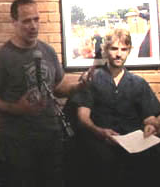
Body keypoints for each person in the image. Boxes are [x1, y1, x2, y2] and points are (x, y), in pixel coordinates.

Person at [0, 0, 81, 187]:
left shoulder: (48, 51)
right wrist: (14, 108)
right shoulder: (3, 57)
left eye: (36, 19)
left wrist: (79, 86)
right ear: (14, 22)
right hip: (19, 141)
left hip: (51, 137)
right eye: (26, 21)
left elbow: (58, 88)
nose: (33, 26)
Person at [64, 28, 160, 187]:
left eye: (124, 49)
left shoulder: (138, 83)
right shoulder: (92, 78)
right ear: (106, 50)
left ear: (129, 51)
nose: (118, 54)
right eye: (114, 48)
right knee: (98, 161)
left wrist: (151, 125)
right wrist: (99, 132)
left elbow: (150, 116)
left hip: (132, 142)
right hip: (100, 141)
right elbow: (83, 117)